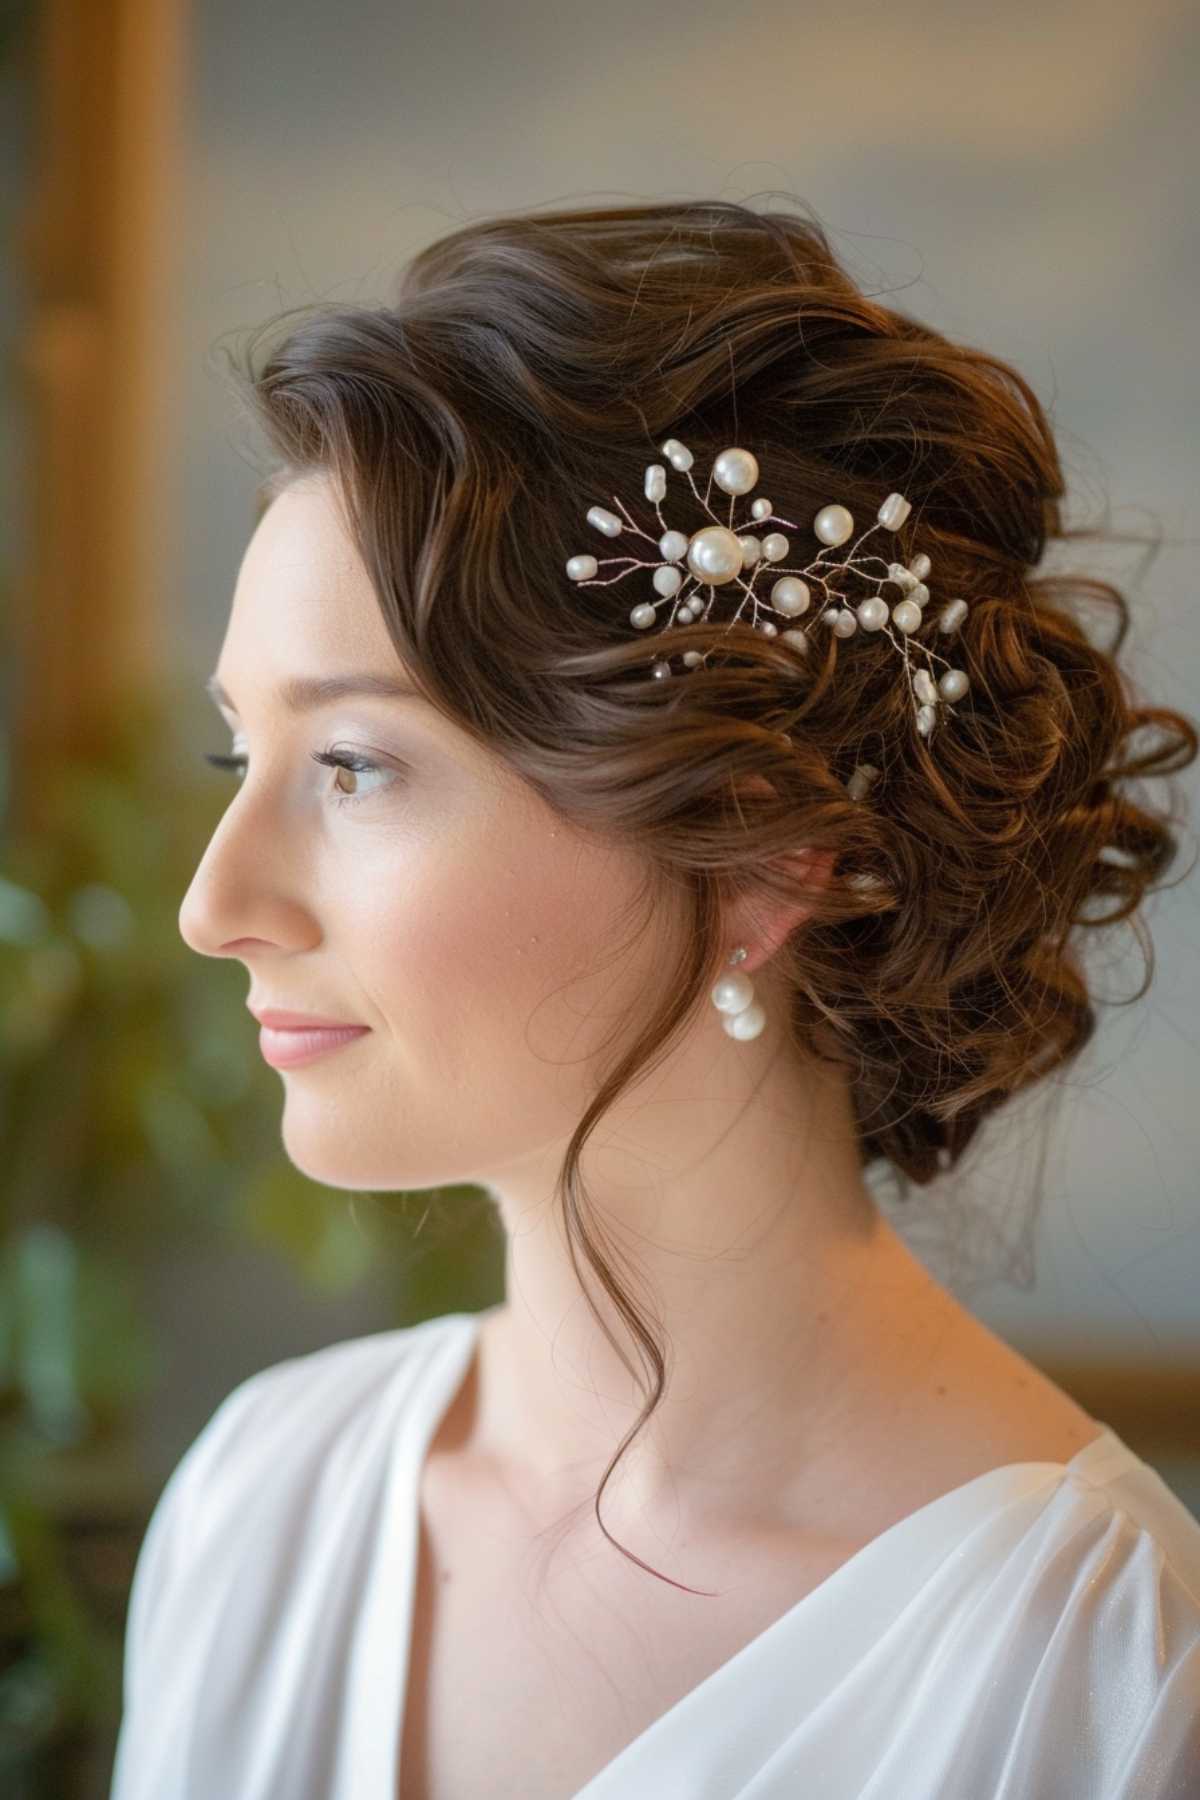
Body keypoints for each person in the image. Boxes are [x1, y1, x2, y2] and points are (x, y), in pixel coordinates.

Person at [111, 198, 1200, 1799]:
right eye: (238, 753)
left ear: (769, 851)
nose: (213, 907)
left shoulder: (1104, 1680)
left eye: (353, 765)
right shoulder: (265, 1502)